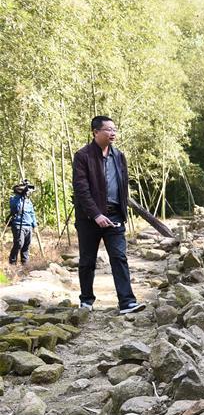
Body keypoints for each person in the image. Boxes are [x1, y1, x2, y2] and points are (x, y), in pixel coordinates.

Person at [72, 116, 145, 314]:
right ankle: (86, 300)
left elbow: (123, 186)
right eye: (108, 129)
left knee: (119, 257)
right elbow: (81, 190)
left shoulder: (119, 156)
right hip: (89, 219)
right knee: (87, 261)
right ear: (95, 132)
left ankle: (127, 302)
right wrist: (96, 214)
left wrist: (122, 213)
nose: (113, 133)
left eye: (115, 129)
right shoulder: (83, 156)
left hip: (114, 217)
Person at [8, 180, 37, 265]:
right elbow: (14, 207)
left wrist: (34, 225)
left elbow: (32, 214)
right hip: (18, 225)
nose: (29, 192)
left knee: (26, 246)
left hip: (28, 226)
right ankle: (12, 262)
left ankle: (25, 264)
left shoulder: (28, 202)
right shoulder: (15, 199)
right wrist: (21, 192)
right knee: (19, 243)